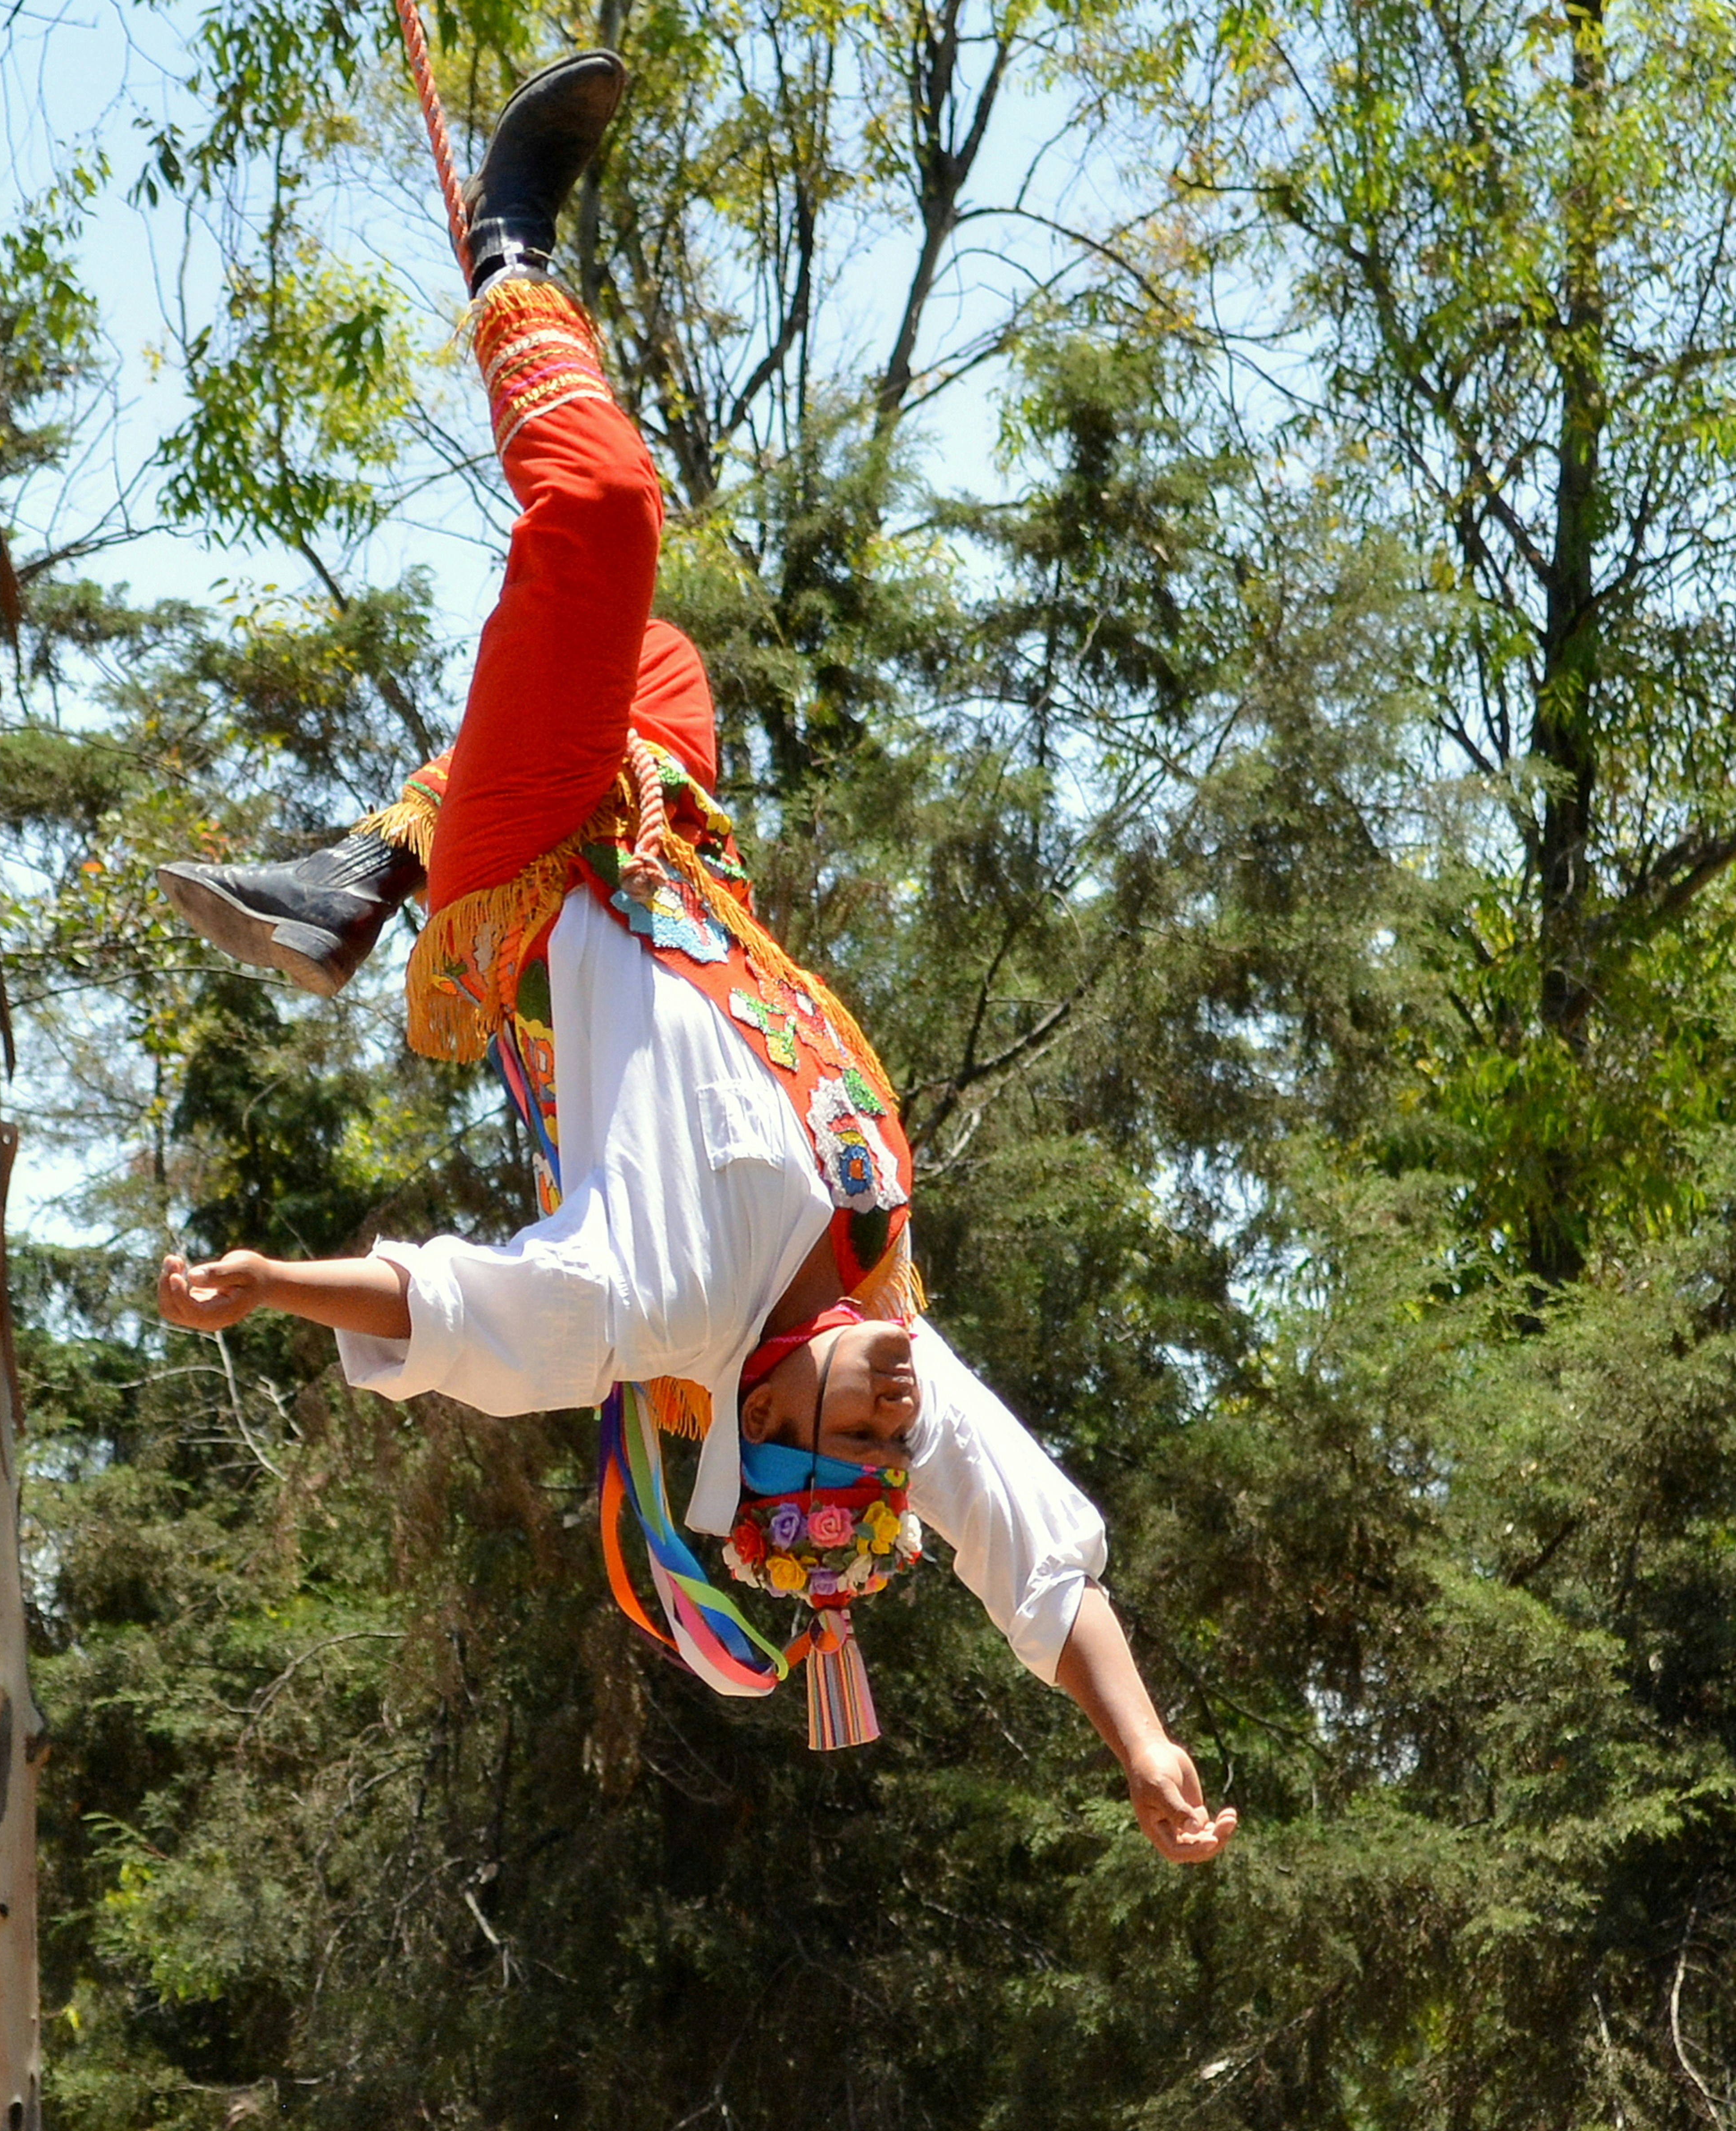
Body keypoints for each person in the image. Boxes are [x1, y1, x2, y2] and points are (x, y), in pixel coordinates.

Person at [154, 51, 1233, 1864]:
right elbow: (1031, 1553)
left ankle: (501, 243)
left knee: (600, 522)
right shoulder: (880, 1328)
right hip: (665, 833)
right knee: (659, 658)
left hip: (543, 874)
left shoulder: (651, 1311)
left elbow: (457, 1325)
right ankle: (359, 872)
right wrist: (1140, 1744)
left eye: (836, 1447)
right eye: (888, 1465)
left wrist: (274, 1283)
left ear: (740, 1428)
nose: (890, 1425)